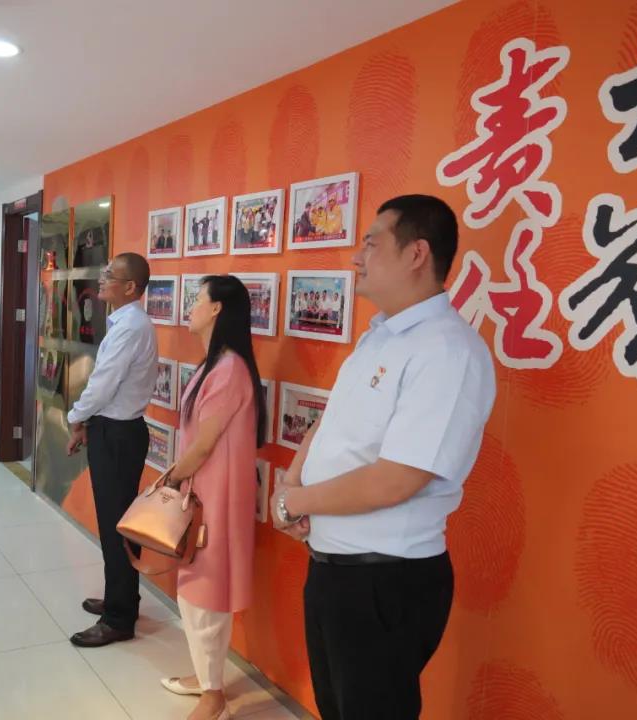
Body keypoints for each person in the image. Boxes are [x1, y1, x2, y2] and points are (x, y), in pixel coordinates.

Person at [270, 195, 496, 720]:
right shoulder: (378, 340)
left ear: (417, 254)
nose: (357, 257)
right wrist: (292, 485)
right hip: (333, 568)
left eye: (371, 243)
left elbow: (397, 480)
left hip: (384, 581)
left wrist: (294, 501)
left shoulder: (447, 351)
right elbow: (329, 424)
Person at [162, 275, 265, 720]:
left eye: (197, 299)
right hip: (204, 493)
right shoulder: (216, 364)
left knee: (206, 592)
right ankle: (207, 679)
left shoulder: (228, 370)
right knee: (196, 589)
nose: (190, 307)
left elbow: (203, 445)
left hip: (216, 498)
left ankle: (214, 694)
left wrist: (169, 479)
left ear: (218, 308)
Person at [66, 252, 159, 647]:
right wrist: (87, 422)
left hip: (119, 435)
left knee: (116, 526)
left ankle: (119, 618)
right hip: (112, 429)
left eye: (110, 274)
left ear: (131, 287)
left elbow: (103, 383)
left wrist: (76, 416)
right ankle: (121, 599)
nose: (102, 278)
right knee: (112, 523)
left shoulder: (130, 327)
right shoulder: (125, 321)